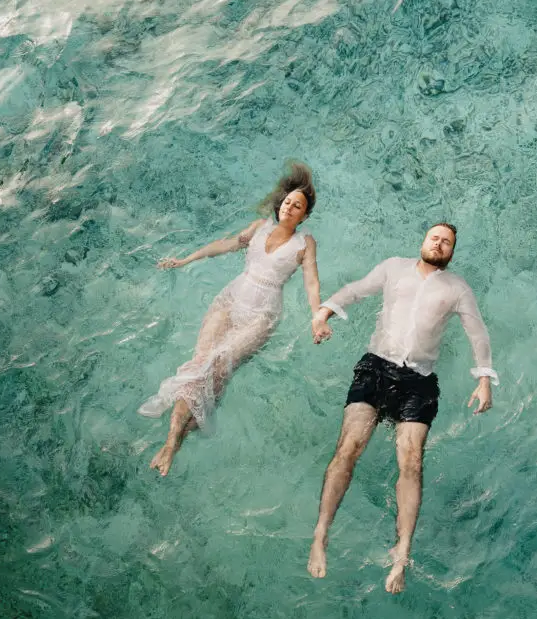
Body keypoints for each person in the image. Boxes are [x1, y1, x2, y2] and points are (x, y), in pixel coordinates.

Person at [306, 223, 499, 593]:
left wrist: (484, 378)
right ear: (423, 241)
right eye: (434, 237)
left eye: (446, 242)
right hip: (376, 366)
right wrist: (324, 312)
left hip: (419, 381)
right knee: (349, 448)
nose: (439, 243)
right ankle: (321, 534)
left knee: (411, 462)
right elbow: (357, 290)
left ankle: (401, 554)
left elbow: (477, 331)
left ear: (451, 253)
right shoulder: (394, 267)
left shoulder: (457, 288)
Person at [139, 162, 322, 476]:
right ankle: (172, 441)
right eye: (288, 202)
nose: (290, 208)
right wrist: (184, 260)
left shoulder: (304, 244)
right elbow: (223, 246)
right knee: (201, 363)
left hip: (262, 315)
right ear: (281, 205)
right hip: (231, 299)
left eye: (298, 206)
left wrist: (318, 316)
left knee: (218, 366)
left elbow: (311, 282)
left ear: (305, 216)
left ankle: (176, 438)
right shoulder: (258, 226)